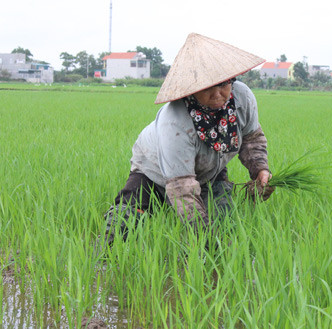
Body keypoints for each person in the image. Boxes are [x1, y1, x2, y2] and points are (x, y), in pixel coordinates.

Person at [103, 33, 273, 244]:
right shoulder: (175, 119)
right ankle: (102, 261)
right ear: (191, 90)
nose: (217, 94)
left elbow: (251, 138)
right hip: (154, 167)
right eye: (207, 88)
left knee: (224, 222)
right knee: (126, 221)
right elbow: (182, 188)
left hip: (211, 167)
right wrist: (204, 238)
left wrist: (260, 170)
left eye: (223, 85)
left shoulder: (242, 98)